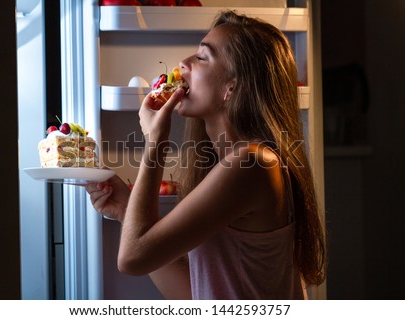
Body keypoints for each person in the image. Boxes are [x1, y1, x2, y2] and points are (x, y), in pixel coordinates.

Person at [86, 10, 326, 299]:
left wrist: (156, 141)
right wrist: (127, 210)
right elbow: (194, 294)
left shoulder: (252, 164)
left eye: (201, 57)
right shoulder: (235, 164)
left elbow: (132, 258)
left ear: (232, 88)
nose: (183, 64)